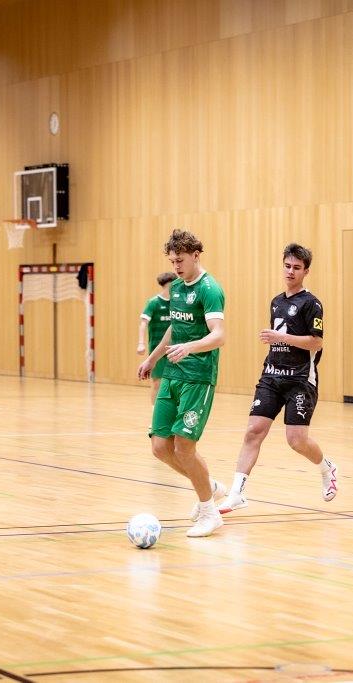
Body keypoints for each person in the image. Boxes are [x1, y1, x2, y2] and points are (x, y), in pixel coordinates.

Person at [219, 243, 338, 514]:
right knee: (253, 432)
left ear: (306, 271)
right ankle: (236, 493)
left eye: (297, 267)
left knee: (296, 440)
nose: (290, 271)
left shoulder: (312, 304)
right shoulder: (276, 302)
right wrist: (276, 341)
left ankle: (327, 468)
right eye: (287, 266)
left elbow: (316, 342)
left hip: (300, 380)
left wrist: (281, 337)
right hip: (272, 376)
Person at [137, 229, 228, 537]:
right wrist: (153, 358)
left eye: (181, 260)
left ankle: (209, 513)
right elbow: (174, 328)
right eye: (172, 261)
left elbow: (219, 335)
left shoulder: (209, 289)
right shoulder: (176, 288)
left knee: (184, 447)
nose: (176, 266)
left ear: (195, 255)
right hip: (172, 374)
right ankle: (208, 485)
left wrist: (189, 347)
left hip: (198, 376)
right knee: (160, 447)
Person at [137, 272, 177, 403]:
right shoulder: (153, 303)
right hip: (157, 349)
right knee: (157, 383)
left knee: (175, 383)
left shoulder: (177, 303)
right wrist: (141, 343)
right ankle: (155, 412)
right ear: (167, 285)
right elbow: (143, 323)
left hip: (175, 349)